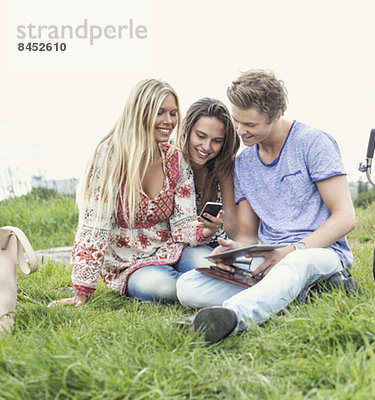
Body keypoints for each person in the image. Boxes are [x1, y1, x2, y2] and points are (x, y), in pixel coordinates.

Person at [176, 69, 357, 343]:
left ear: (276, 114)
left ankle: (233, 317)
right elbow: (248, 231)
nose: (240, 131)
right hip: (268, 256)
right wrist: (238, 250)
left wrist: (292, 250)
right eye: (237, 121)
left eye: (250, 124)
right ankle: (299, 293)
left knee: (295, 263)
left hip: (316, 251)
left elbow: (345, 217)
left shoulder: (313, 144)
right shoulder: (245, 163)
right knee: (188, 286)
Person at [49, 79, 219, 307]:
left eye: (173, 113)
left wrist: (205, 229)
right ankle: (219, 294)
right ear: (141, 112)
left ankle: (222, 293)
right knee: (164, 288)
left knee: (210, 265)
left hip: (170, 249)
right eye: (160, 112)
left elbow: (183, 224)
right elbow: (93, 228)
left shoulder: (175, 159)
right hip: (127, 263)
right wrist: (82, 289)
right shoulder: (110, 156)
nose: (169, 121)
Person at [173, 97, 240, 253]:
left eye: (216, 141)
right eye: (201, 136)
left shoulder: (222, 166)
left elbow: (232, 228)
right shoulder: (170, 159)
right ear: (186, 129)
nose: (207, 147)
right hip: (178, 245)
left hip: (214, 244)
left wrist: (224, 174)